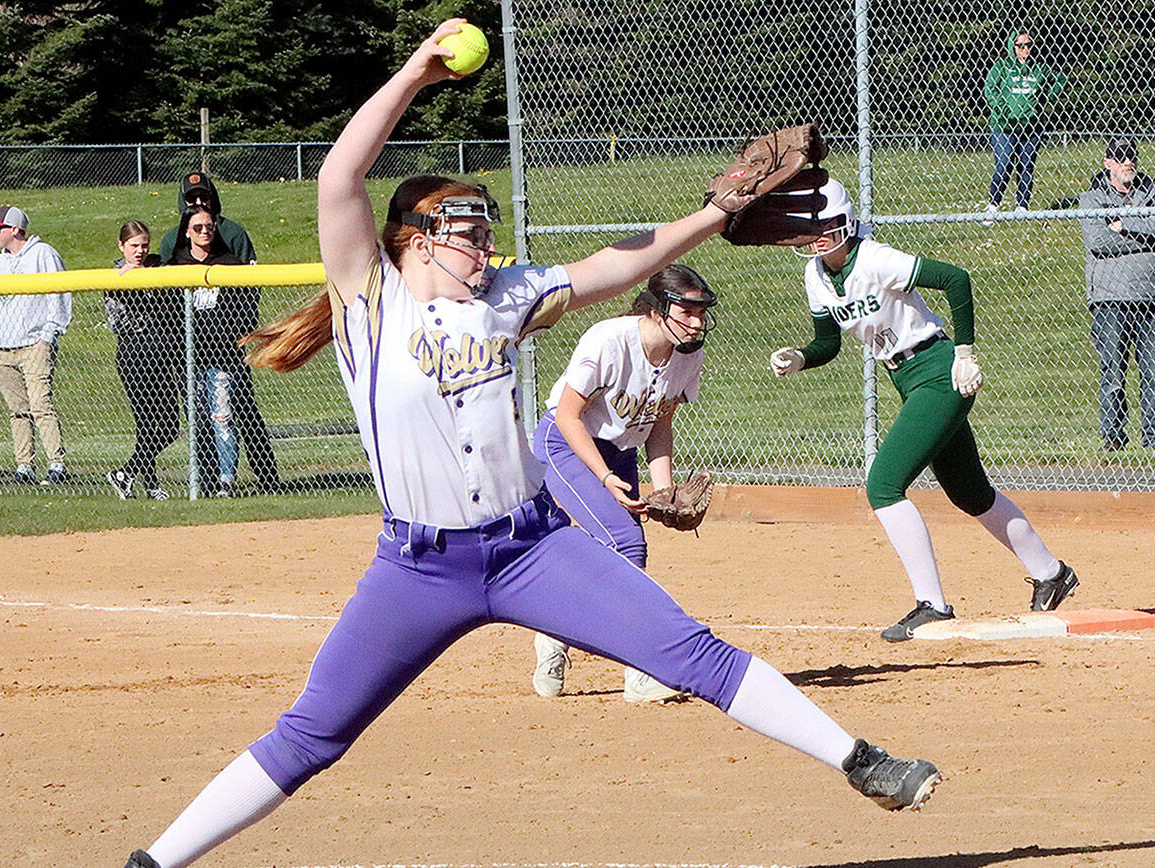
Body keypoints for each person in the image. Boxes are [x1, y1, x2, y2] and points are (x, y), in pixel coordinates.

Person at [120, 21, 940, 868]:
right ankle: (154, 863)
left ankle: (862, 761)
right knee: (313, 733)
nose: (485, 245)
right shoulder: (370, 301)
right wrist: (414, 73)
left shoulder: (506, 297)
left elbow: (618, 267)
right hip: (417, 568)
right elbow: (340, 175)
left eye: (486, 231)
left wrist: (710, 214)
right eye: (468, 231)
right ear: (416, 237)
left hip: (531, 547)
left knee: (687, 650)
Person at [768, 178, 1079, 642]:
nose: (820, 235)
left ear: (847, 220)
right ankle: (1051, 573)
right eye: (812, 226)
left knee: (884, 484)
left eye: (829, 224)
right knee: (969, 493)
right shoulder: (815, 275)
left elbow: (956, 278)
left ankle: (932, 604)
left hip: (939, 371)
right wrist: (802, 357)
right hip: (906, 379)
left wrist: (965, 352)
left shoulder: (873, 258)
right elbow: (829, 341)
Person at [530, 264, 718, 703]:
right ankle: (639, 670)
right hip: (566, 446)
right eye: (685, 310)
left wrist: (664, 489)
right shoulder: (609, 340)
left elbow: (659, 425)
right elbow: (566, 416)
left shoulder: (688, 354)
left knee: (606, 552)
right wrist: (606, 476)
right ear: (655, 311)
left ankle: (554, 630)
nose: (696, 321)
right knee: (626, 543)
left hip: (620, 451)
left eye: (701, 311)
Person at [166, 204, 280, 496]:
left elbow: (244, 309)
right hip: (189, 359)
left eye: (209, 227)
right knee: (199, 419)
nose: (205, 232)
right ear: (187, 232)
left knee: (223, 417)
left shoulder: (229, 263)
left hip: (223, 357)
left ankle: (226, 480)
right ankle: (204, 480)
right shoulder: (175, 265)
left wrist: (231, 337)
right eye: (198, 228)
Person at [1078, 136, 1155, 451]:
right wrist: (1144, 235)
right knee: (1113, 373)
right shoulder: (1092, 199)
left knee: (1153, 373)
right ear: (1107, 163)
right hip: (1109, 298)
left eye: (1130, 156)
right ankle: (1114, 437)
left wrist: (1124, 224)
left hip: (1152, 296)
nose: (1126, 162)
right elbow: (1098, 242)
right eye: (1119, 158)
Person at [0, 205, 72, 485]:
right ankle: (24, 466)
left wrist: (49, 335)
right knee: (17, 410)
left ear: (15, 230)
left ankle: (57, 464)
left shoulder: (43, 254)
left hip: (34, 344)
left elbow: (60, 294)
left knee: (40, 405)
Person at [105, 221, 182, 500]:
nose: (140, 251)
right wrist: (136, 282)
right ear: (122, 246)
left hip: (161, 354)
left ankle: (127, 473)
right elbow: (119, 322)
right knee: (147, 423)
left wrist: (148, 276)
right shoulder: (116, 275)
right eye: (134, 245)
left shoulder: (156, 267)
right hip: (134, 353)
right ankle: (150, 484)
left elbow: (170, 302)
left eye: (144, 245)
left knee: (170, 425)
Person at [982, 29, 1065, 221]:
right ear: (1013, 47)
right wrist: (1003, 110)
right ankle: (994, 204)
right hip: (1004, 126)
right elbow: (990, 89)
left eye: (1028, 45)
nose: (1025, 49)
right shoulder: (1002, 67)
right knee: (1004, 164)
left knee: (1026, 166)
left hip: (1031, 127)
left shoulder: (1039, 68)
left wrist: (1044, 96)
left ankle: (1022, 205)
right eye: (1020, 46)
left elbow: (1060, 79)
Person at [158, 171, 256, 265]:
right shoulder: (170, 240)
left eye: (204, 197)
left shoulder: (233, 234)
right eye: (191, 198)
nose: (199, 202)